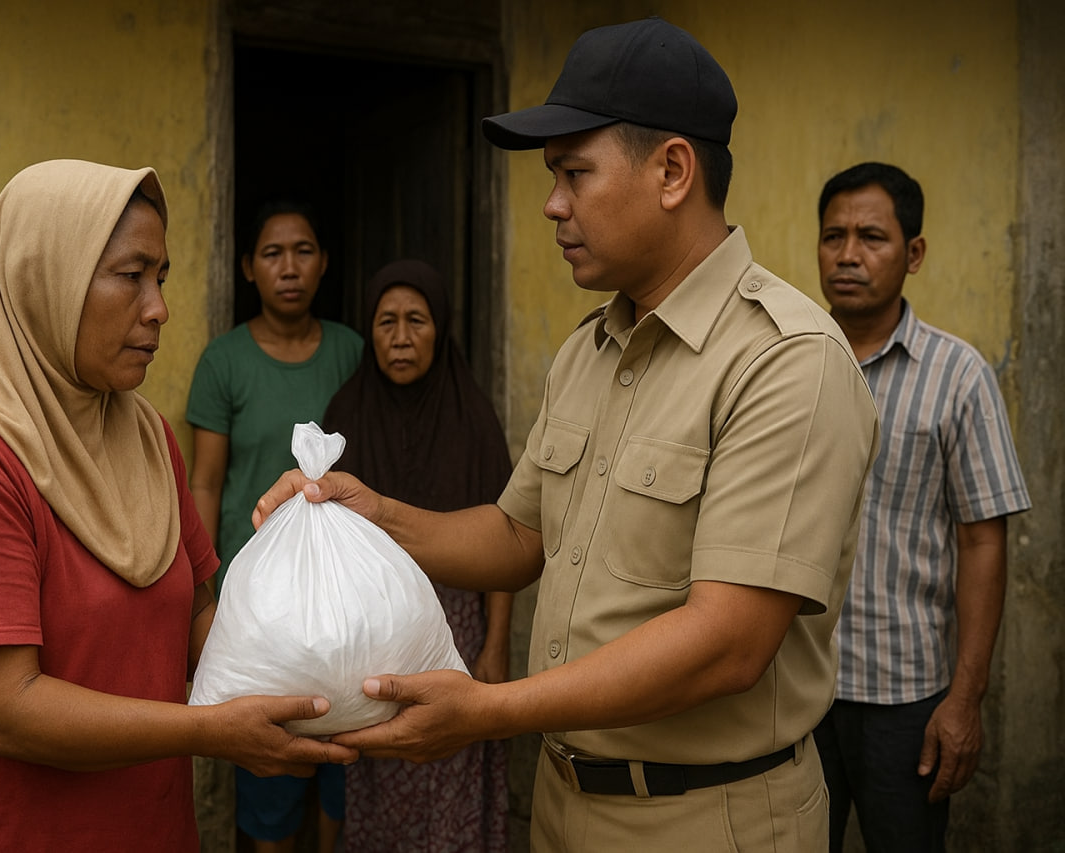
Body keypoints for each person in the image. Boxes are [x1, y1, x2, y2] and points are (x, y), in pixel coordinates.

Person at [253, 17, 881, 852]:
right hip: (563, 800)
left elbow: (728, 643)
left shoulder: (784, 362)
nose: (552, 204)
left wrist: (488, 710)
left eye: (574, 173)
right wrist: (370, 513)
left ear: (671, 171)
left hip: (709, 815)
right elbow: (519, 536)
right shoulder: (592, 348)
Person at [0, 159, 356, 853]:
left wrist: (317, 684)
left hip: (148, 826)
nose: (159, 306)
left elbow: (199, 613)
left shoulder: (145, 433)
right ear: (44, 277)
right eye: (130, 274)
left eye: (160, 277)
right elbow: (0, 710)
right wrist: (212, 728)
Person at [812, 162, 1031, 852]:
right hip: (788, 684)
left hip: (905, 697)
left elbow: (981, 542)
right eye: (833, 235)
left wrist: (964, 700)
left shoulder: (959, 375)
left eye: (871, 237)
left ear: (914, 253)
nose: (848, 254)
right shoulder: (786, 362)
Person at [186, 200, 361, 852]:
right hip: (255, 596)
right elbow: (205, 480)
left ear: (323, 263)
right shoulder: (224, 361)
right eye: (272, 253)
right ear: (247, 269)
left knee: (346, 749)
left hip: (343, 596)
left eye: (304, 251)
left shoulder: (351, 350)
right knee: (269, 768)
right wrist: (203, 589)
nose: (289, 267)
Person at [322, 258, 512, 852]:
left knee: (453, 770)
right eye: (385, 322)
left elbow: (507, 543)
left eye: (416, 321)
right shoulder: (346, 415)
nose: (400, 338)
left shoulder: (473, 417)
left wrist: (496, 644)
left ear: (441, 328)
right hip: (369, 635)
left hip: (455, 633)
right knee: (381, 770)